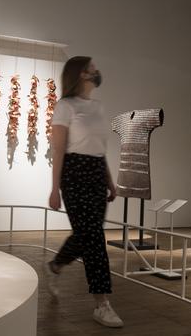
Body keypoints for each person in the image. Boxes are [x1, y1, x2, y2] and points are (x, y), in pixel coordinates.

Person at [46, 56, 124, 328]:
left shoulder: (98, 107)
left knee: (87, 234)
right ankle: (102, 304)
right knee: (94, 238)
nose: (97, 70)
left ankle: (57, 264)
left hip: (95, 172)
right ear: (81, 74)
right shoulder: (65, 106)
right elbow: (58, 150)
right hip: (74, 173)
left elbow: (99, 149)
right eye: (92, 67)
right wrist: (54, 188)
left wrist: (110, 181)